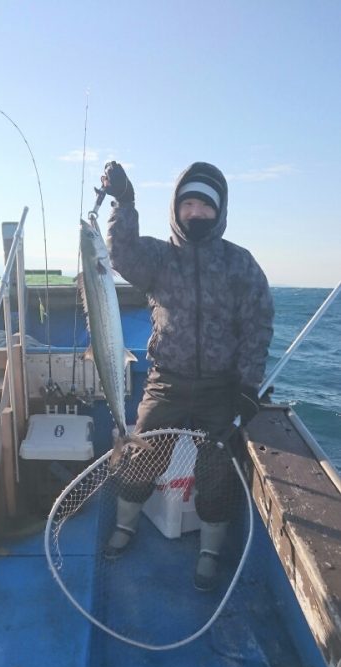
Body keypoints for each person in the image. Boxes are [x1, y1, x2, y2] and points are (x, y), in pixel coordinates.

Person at [101, 160, 274, 592]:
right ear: (177, 209)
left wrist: (249, 386)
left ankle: (211, 548)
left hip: (222, 388)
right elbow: (120, 254)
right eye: (189, 203)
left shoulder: (240, 264)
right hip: (167, 380)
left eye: (205, 206)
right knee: (142, 452)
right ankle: (126, 523)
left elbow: (258, 328)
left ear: (220, 211)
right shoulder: (159, 257)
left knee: (217, 469)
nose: (196, 212)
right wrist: (125, 200)